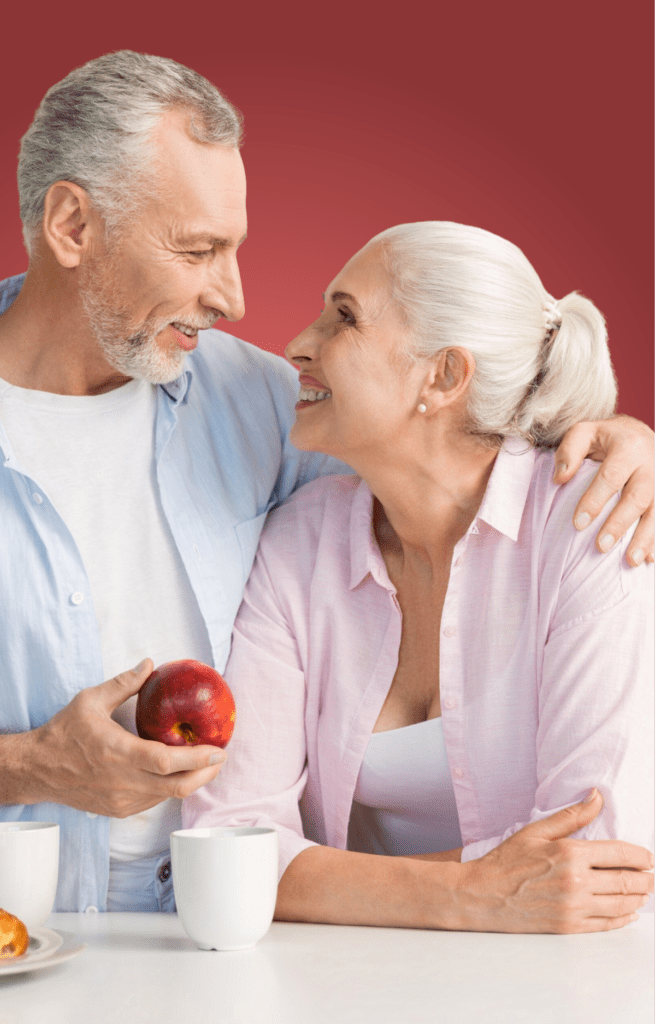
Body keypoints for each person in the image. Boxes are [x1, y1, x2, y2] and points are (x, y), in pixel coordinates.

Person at [0, 53, 652, 916]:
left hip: (228, 939)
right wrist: (36, 763)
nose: (233, 294)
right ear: (73, 225)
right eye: (198, 250)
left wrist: (610, 437)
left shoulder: (260, 402)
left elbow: (442, 459)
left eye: (235, 248)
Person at [184, 222, 654, 933]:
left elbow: (596, 868)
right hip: (348, 990)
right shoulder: (299, 544)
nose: (297, 345)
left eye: (344, 318)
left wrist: (325, 881)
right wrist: (475, 894)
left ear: (444, 376)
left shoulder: (593, 526)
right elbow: (230, 846)